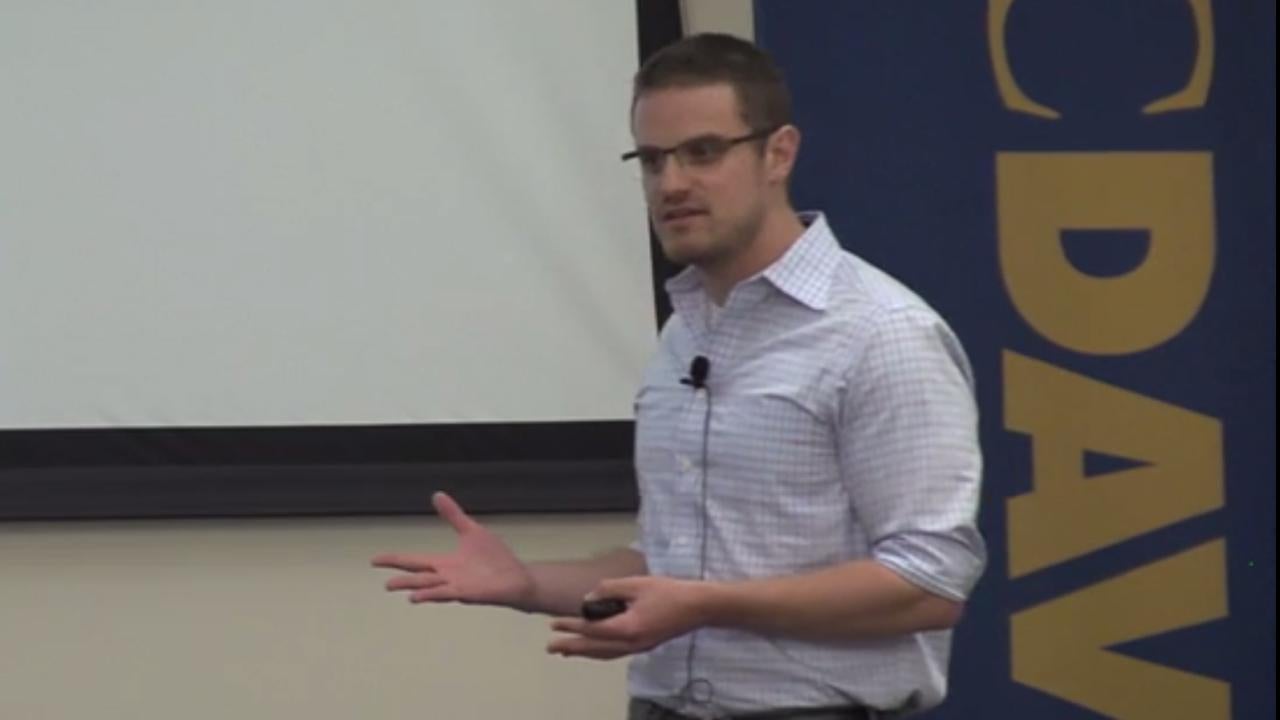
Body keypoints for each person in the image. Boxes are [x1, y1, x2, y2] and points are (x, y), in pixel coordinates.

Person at [373, 33, 985, 719]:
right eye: (653, 159)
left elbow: (930, 585)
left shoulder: (883, 334)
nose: (672, 184)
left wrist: (706, 606)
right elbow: (671, 567)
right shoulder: (685, 329)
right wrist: (526, 582)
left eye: (703, 152)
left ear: (778, 153)